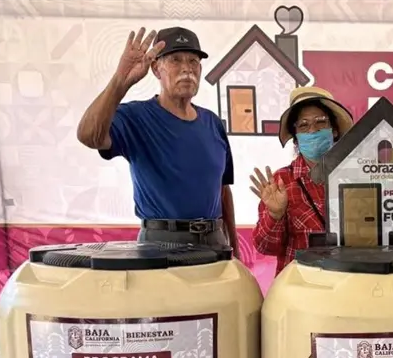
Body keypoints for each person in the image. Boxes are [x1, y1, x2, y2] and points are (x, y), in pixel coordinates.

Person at [76, 27, 238, 255]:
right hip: (160, 245)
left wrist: (235, 252)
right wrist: (121, 81)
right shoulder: (136, 117)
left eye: (193, 61)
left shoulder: (213, 123)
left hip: (214, 242)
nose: (186, 69)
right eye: (175, 60)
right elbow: (88, 135)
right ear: (155, 68)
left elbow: (223, 191)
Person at [250, 87, 354, 275]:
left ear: (335, 130)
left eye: (321, 122)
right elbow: (265, 247)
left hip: (348, 288)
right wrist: (275, 215)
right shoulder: (281, 181)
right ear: (296, 137)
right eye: (304, 125)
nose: (313, 130)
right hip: (298, 291)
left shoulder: (356, 177)